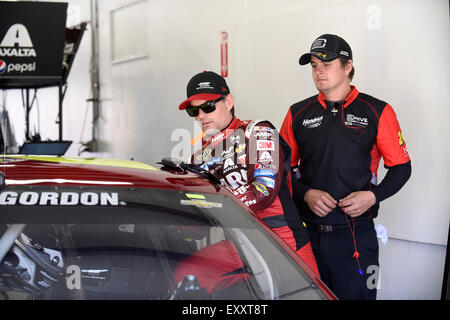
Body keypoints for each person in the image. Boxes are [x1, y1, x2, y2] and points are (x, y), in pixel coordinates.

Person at [280, 34, 412, 299]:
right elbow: (281, 173)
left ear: (348, 66)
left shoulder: (377, 110)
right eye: (315, 65)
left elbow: (401, 167)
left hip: (356, 236)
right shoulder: (297, 112)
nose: (319, 72)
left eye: (326, 64)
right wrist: (305, 193)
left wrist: (372, 196)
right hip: (307, 234)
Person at [177, 71, 319, 278]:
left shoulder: (258, 131)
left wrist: (214, 205)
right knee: (184, 274)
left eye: (207, 107)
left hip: (282, 238)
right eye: (193, 111)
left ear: (229, 101)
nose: (201, 116)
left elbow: (263, 190)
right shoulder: (199, 156)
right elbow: (199, 229)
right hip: (239, 243)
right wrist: (178, 208)